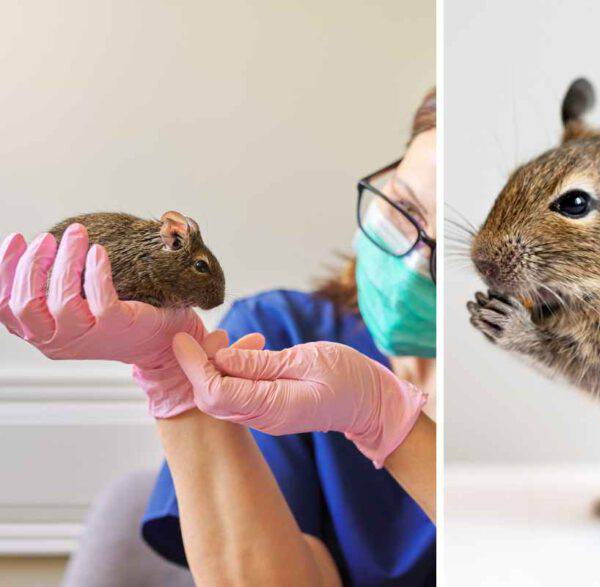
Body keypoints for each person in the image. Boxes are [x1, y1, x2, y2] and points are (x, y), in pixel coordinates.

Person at [0, 88, 436, 586]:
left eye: (448, 244)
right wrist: (169, 368)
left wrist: (387, 417)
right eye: (403, 207)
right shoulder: (282, 332)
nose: (414, 260)